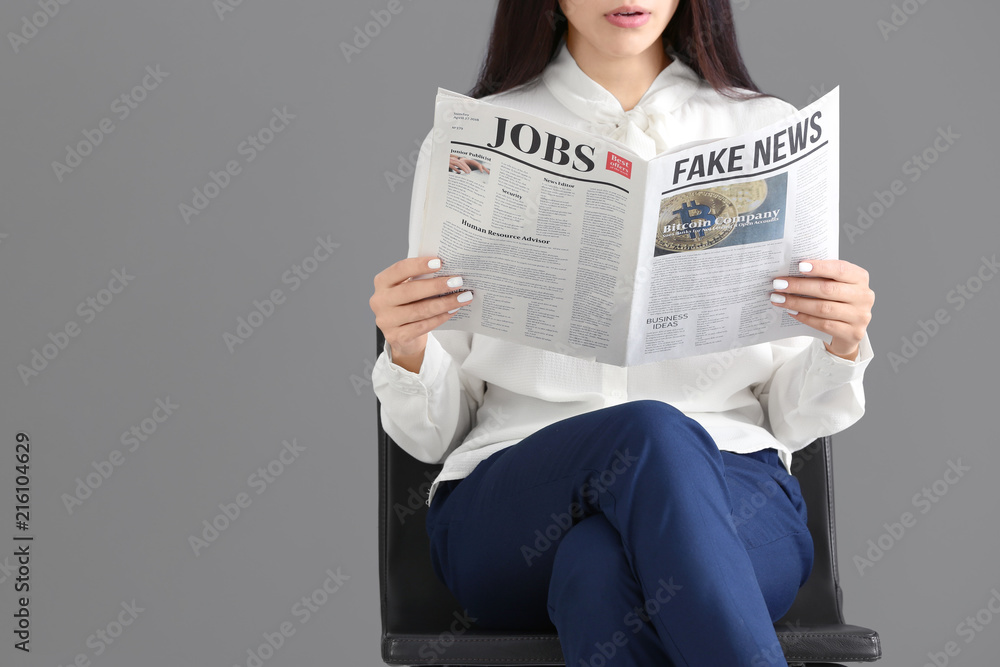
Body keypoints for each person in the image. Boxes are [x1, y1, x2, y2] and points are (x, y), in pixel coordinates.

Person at [369, 1, 875, 664]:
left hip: (734, 497)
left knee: (600, 568)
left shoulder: (762, 129)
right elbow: (435, 433)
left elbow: (789, 414)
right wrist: (408, 350)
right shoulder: (474, 139)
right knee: (649, 432)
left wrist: (840, 343)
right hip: (516, 505)